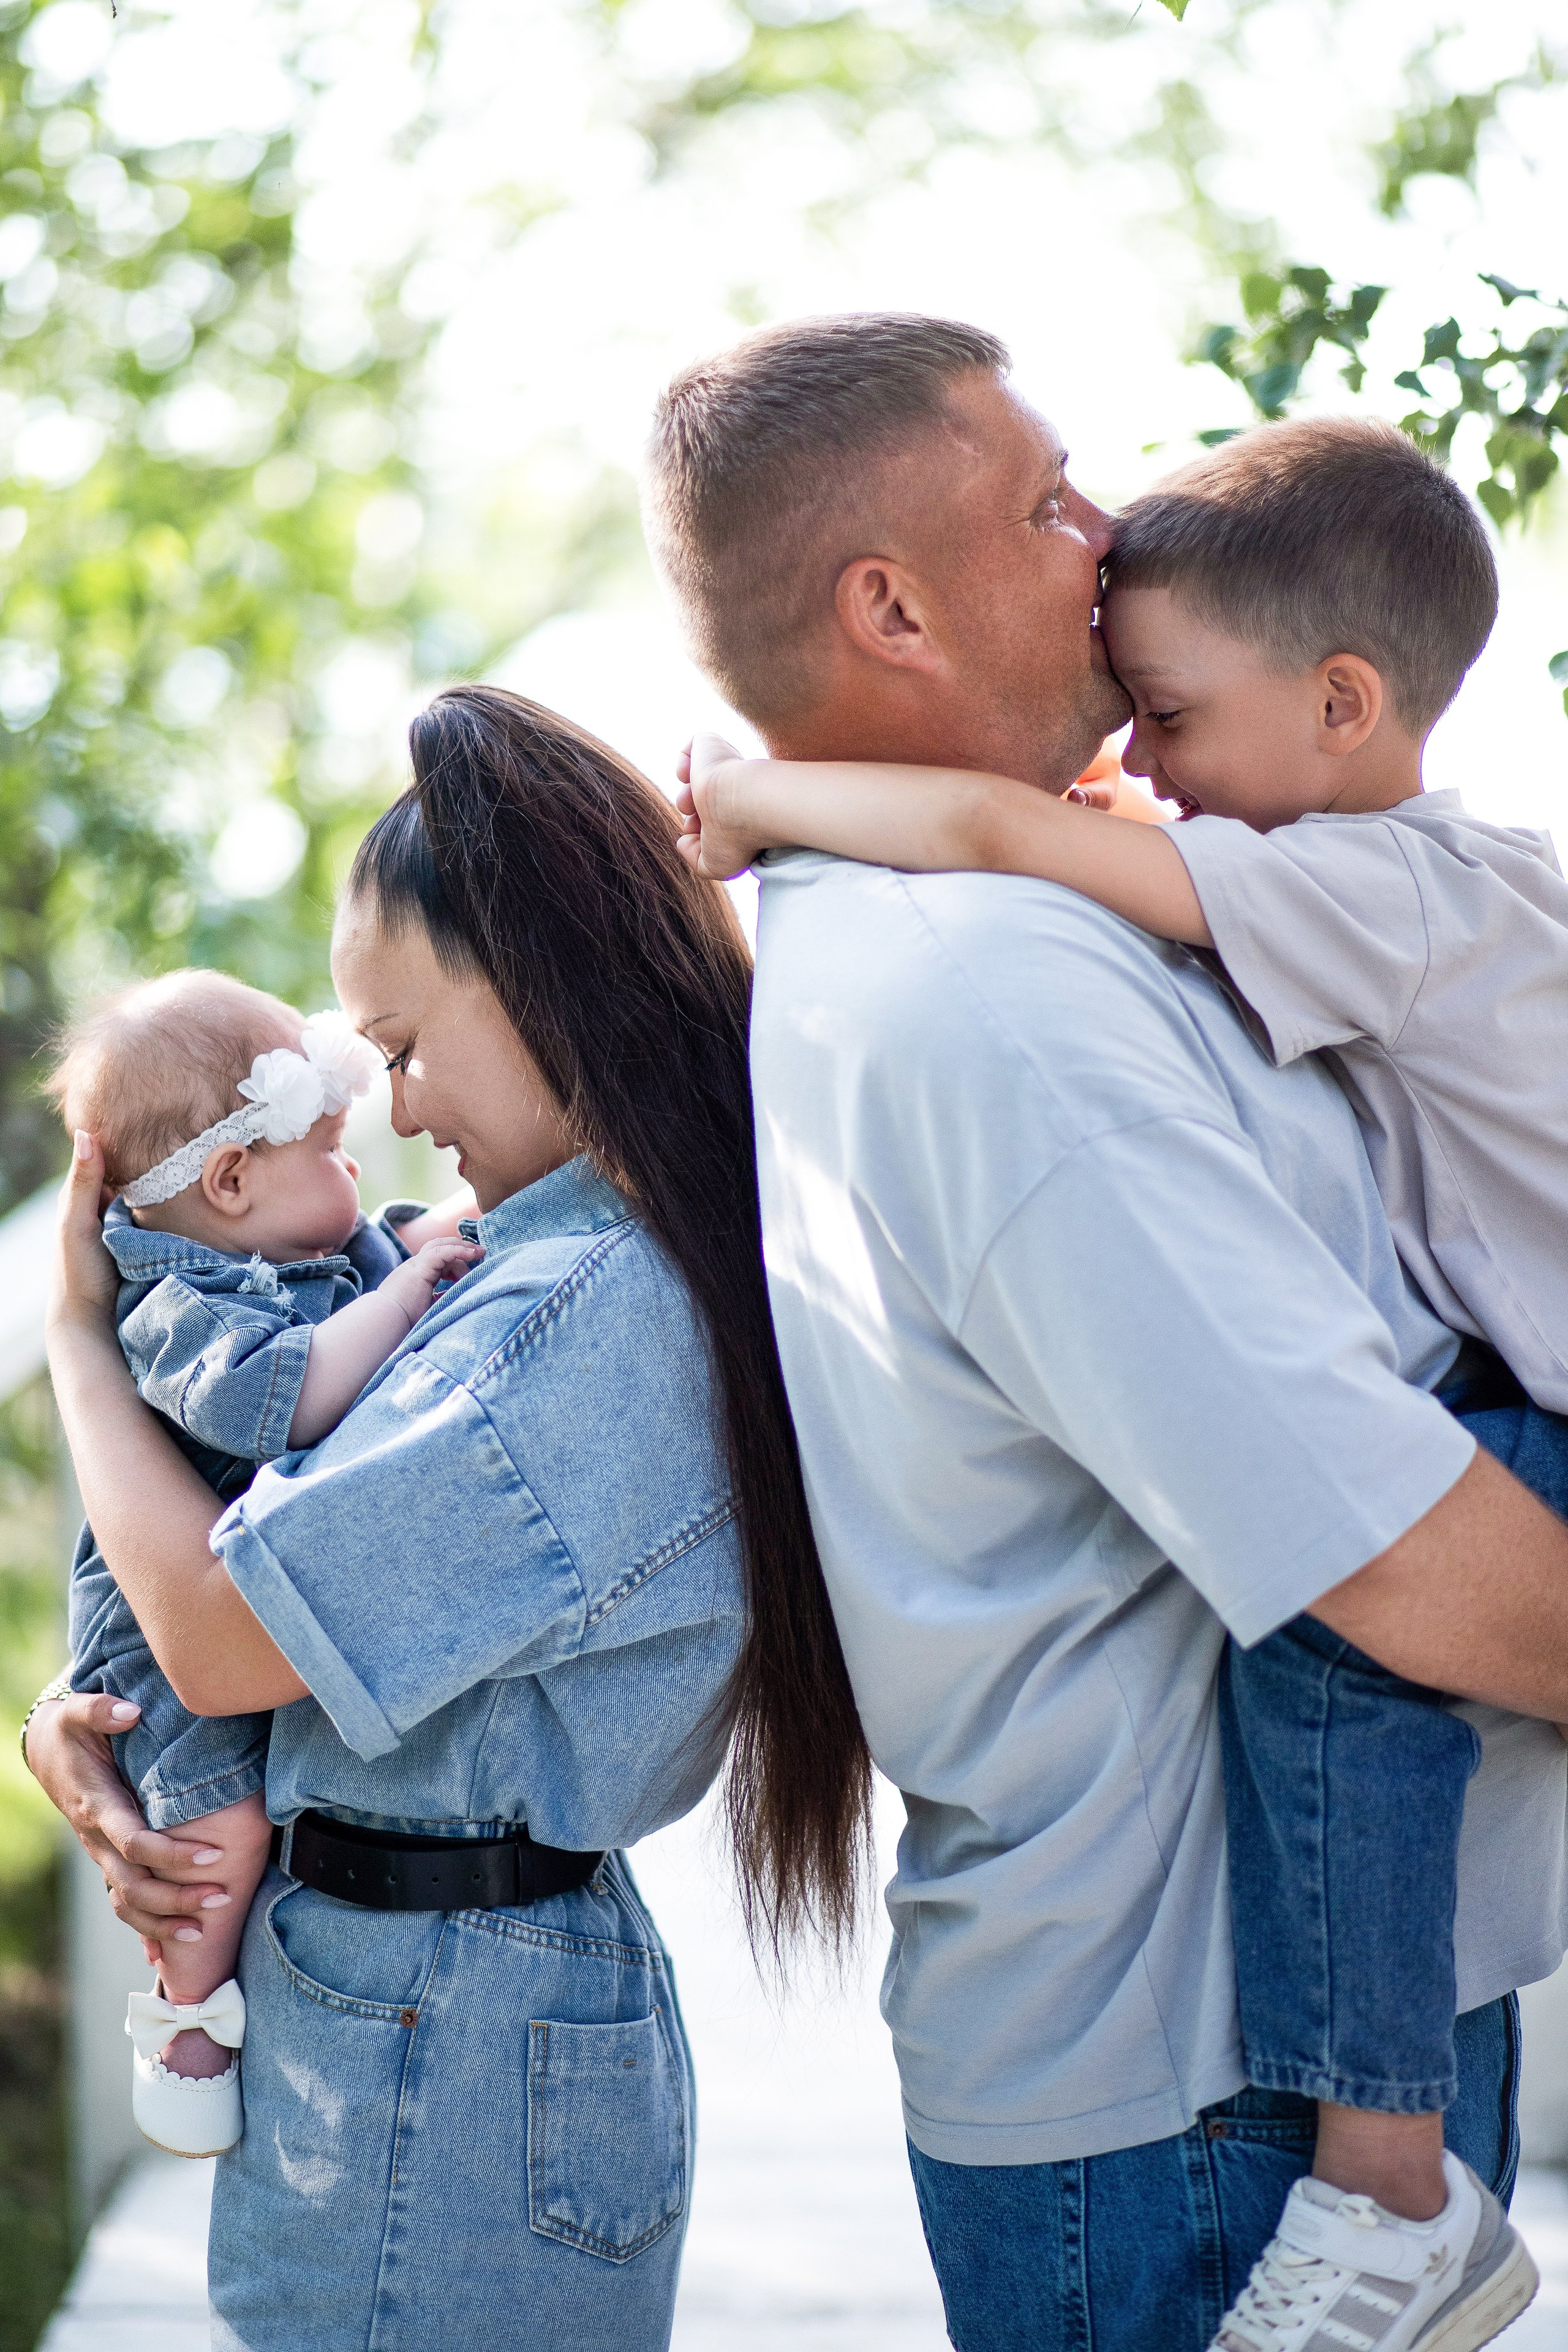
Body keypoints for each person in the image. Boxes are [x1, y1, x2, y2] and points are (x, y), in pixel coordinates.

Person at [640, 312, 1568, 2352]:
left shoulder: (1083, 909)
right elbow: (1393, 1562)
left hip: (1331, 2011)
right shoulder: (987, 997)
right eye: (1046, 496)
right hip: (1212, 2100)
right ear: (886, 601)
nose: (1108, 527)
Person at [27, 684, 870, 2351]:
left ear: (545, 987)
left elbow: (218, 1625)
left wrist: (75, 1337)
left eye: (404, 1050)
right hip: (438, 2011)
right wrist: (75, 1719)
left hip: (443, 2038)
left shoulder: (572, 1321)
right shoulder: (548, 1275)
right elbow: (242, 1567)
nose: (395, 1111)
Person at [49, 973, 479, 2154]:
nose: (359, 1173)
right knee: (215, 1833)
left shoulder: (306, 1256)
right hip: (153, 1645)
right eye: (334, 1146)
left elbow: (408, 1243)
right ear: (232, 1180)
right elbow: (277, 1401)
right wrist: (404, 1294)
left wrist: (446, 1239)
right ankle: (187, 2023)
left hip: (244, 1606)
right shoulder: (181, 1305)